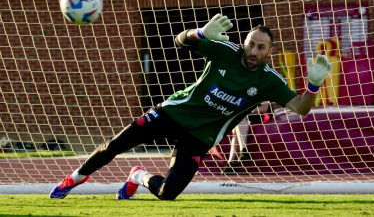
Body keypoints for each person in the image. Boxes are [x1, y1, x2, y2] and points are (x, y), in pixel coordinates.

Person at [49, 13, 332, 200]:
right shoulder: (224, 51)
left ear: (269, 52)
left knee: (168, 193)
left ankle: (137, 175)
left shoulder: (270, 80)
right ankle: (73, 180)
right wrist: (199, 33)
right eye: (251, 45)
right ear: (244, 43)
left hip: (201, 137)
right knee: (115, 145)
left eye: (261, 48)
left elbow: (301, 107)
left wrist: (314, 85)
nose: (254, 51)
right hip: (173, 112)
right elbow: (179, 41)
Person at [222, 102, 275, 174]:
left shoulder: (263, 91)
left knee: (239, 118)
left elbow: (264, 108)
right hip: (248, 116)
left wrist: (246, 111)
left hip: (262, 115)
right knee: (236, 127)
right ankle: (238, 157)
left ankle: (233, 161)